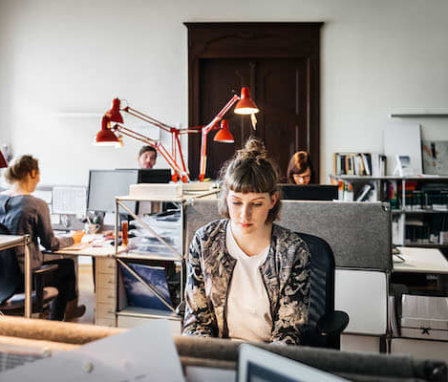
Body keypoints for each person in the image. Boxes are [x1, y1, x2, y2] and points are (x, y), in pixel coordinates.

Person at [183, 138, 311, 344]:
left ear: (272, 200)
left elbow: (288, 332)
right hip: (218, 355)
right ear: (226, 199)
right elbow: (197, 321)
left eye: (256, 204)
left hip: (269, 360)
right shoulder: (205, 241)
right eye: (236, 202)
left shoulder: (293, 251)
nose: (245, 214)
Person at [0, 155, 85, 321]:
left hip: (3, 278)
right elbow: (51, 244)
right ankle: (57, 320)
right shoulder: (36, 205)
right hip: (25, 279)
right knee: (66, 266)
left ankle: (65, 313)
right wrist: (74, 239)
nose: (38, 180)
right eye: (38, 175)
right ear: (32, 173)